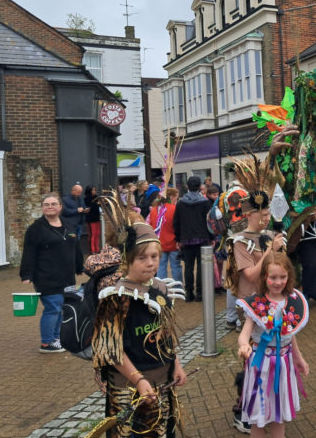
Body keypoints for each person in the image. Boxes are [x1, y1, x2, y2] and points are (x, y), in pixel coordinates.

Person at [92, 210, 187, 438]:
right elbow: (111, 351)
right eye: (142, 258)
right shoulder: (115, 297)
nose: (150, 263)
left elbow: (166, 333)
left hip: (161, 384)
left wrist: (176, 364)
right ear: (127, 259)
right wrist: (139, 380)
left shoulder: (160, 289)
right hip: (129, 388)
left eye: (155, 257)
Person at [225, 188, 284, 433]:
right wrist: (271, 251)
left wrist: (280, 250)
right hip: (250, 306)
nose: (266, 218)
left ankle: (267, 407)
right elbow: (250, 274)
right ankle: (244, 411)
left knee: (271, 359)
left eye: (268, 213)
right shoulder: (239, 241)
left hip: (271, 304)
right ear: (248, 215)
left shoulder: (270, 235)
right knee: (252, 362)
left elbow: (280, 268)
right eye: (261, 214)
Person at [236, 251, 309, 438]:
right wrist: (244, 345)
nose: (278, 282)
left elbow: (289, 334)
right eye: (273, 277)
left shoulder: (292, 301)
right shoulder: (256, 303)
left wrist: (299, 358)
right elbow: (245, 334)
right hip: (261, 366)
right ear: (264, 277)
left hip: (284, 364)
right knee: (258, 417)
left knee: (279, 416)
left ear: (289, 276)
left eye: (282, 277)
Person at [20, 193, 84, 353]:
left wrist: (79, 266)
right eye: (46, 204)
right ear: (42, 208)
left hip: (66, 277)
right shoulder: (36, 229)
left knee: (62, 308)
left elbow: (75, 248)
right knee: (53, 308)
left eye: (53, 204)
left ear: (60, 207)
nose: (50, 207)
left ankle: (56, 338)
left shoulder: (68, 225)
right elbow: (29, 252)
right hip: (46, 276)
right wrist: (26, 275)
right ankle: (47, 343)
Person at [173, 176, 212, 301]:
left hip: (186, 239)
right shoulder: (205, 202)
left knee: (188, 267)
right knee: (201, 266)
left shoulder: (180, 203)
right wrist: (211, 237)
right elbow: (209, 222)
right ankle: (200, 293)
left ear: (188, 187)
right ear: (200, 186)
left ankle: (189, 293)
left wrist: (178, 239)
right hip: (202, 238)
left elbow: (176, 223)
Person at [147, 187, 181, 282]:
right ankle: (178, 286)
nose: (176, 200)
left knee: (161, 267)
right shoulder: (175, 209)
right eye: (176, 198)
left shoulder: (154, 210)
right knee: (176, 267)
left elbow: (151, 226)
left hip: (159, 243)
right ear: (171, 197)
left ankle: (162, 289)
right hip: (173, 243)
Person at [84, 185, 101, 254]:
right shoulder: (87, 198)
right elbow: (89, 207)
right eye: (93, 190)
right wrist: (96, 204)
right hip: (91, 219)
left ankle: (97, 248)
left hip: (97, 218)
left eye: (95, 190)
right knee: (93, 235)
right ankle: (92, 250)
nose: (94, 191)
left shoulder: (96, 197)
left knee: (97, 234)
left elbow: (98, 206)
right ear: (90, 191)